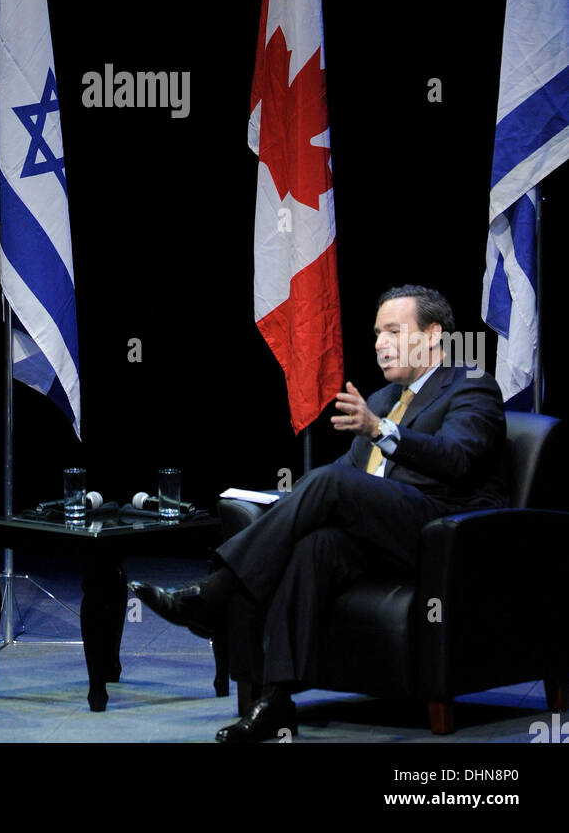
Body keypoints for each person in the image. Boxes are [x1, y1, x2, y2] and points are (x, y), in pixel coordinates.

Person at [130, 285, 508, 743]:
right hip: (377, 540)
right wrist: (285, 505)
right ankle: (276, 702)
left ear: (433, 336)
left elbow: (457, 457)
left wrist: (380, 430)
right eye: (376, 333)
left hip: (442, 537)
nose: (379, 344)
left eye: (393, 331)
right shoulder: (385, 398)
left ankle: (214, 593)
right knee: (314, 546)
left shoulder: (471, 385)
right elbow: (346, 474)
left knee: (328, 484)